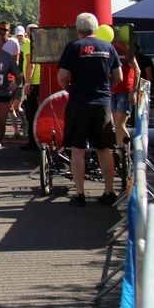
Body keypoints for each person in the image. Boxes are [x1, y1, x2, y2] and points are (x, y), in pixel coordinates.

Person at [57, 12, 122, 206]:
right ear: (96, 28)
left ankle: (80, 194)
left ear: (78, 29)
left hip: (79, 102)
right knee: (104, 148)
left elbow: (62, 77)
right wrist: (106, 89)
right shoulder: (108, 47)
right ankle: (109, 191)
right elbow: (117, 76)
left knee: (78, 149)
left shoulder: (73, 47)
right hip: (102, 103)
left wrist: (70, 89)